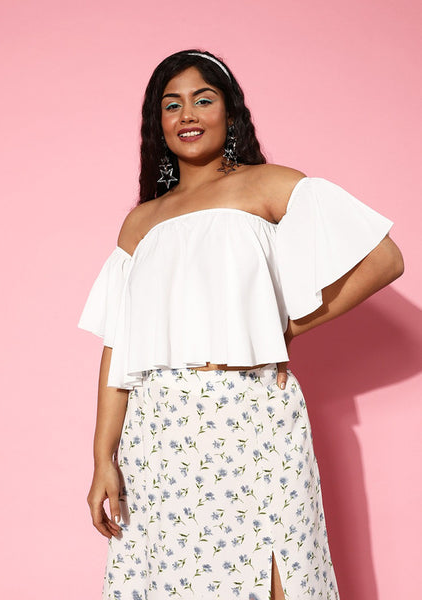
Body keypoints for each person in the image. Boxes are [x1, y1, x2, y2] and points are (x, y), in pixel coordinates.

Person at [78, 49, 404, 600]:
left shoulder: (267, 185)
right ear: (158, 123)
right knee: (173, 581)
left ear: (229, 113)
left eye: (203, 100)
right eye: (172, 105)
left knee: (278, 572)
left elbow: (384, 260)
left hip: (250, 412)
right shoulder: (141, 223)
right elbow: (117, 348)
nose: (188, 114)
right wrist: (102, 460)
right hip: (160, 430)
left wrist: (286, 329)